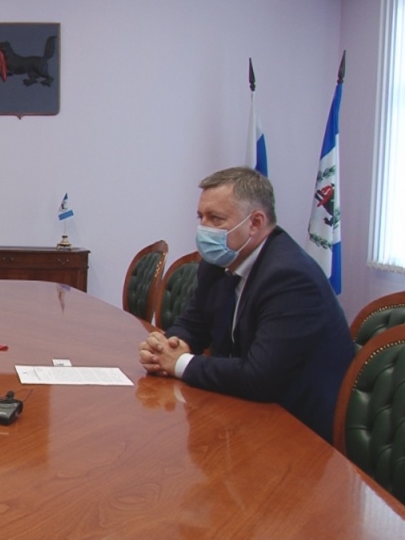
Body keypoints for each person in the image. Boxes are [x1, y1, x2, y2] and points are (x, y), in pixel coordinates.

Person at [138, 167, 354, 442]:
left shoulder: (290, 277)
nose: (204, 228)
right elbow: (193, 323)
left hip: (298, 431)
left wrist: (179, 363)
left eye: (215, 218)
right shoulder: (218, 263)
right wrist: (165, 348)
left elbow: (260, 377)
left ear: (255, 222)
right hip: (242, 409)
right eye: (201, 217)